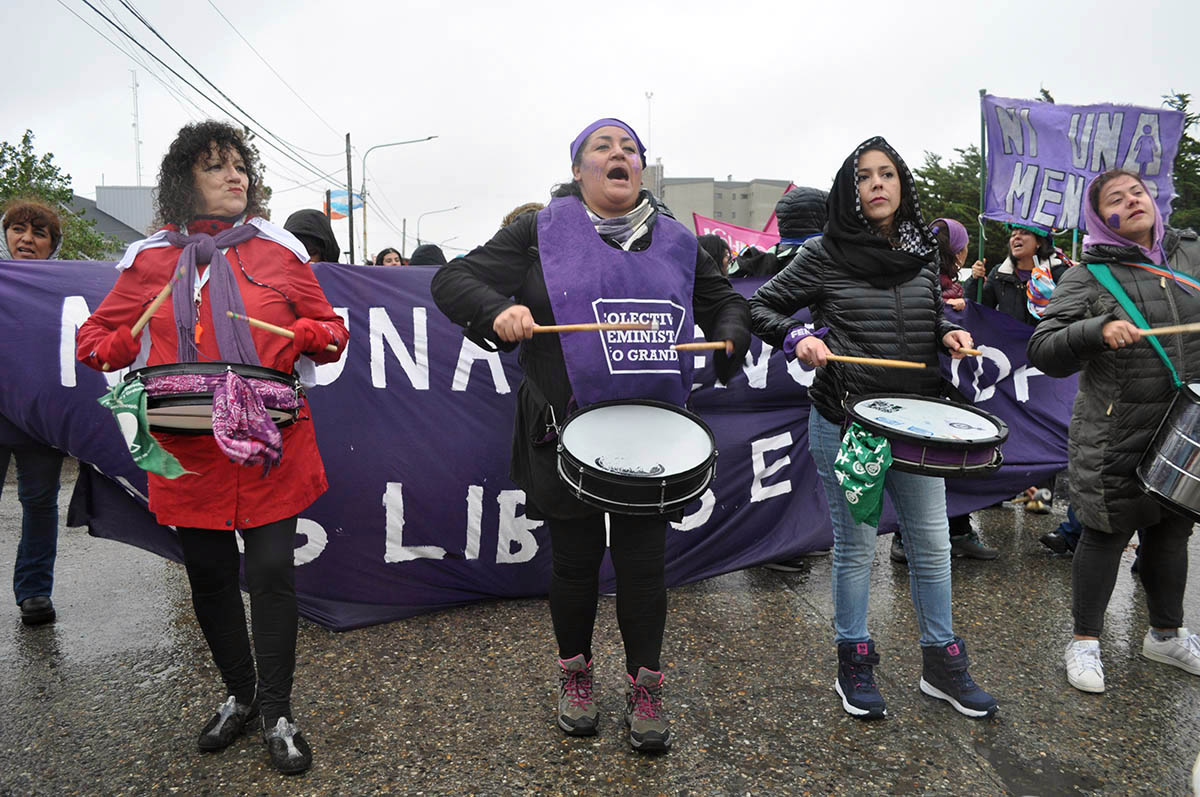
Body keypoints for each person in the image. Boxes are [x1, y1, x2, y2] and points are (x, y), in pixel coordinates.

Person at [431, 117, 750, 752]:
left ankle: (645, 685)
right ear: (579, 170)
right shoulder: (538, 231)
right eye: (602, 147)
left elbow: (727, 305)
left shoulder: (678, 241)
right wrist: (499, 310)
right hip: (561, 426)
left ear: (641, 169)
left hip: (652, 434)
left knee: (643, 566)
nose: (619, 155)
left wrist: (731, 339)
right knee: (574, 564)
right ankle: (575, 675)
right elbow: (452, 280)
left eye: (630, 148)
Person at [76, 121, 348, 774]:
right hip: (184, 446)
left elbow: (333, 333)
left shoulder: (279, 255)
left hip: (270, 443)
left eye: (240, 166)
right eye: (216, 167)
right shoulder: (149, 261)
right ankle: (244, 692)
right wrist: (110, 346)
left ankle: (279, 711)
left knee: (273, 572)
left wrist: (311, 332)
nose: (237, 177)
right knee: (209, 575)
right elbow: (95, 338)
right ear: (183, 183)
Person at [750, 136, 998, 720]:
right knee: (857, 549)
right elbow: (762, 306)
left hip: (919, 425)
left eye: (888, 174)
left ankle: (942, 663)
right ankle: (854, 661)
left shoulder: (920, 252)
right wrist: (797, 338)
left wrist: (947, 334)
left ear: (903, 185)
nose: (878, 184)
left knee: (933, 547)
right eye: (865, 176)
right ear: (851, 190)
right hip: (848, 423)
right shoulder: (824, 253)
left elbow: (930, 309)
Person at [1027, 168, 1200, 695]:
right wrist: (1095, 330)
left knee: (1172, 530)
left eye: (1138, 192)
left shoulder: (1188, 254)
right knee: (1105, 532)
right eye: (1114, 199)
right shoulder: (1087, 276)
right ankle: (1084, 641)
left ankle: (1166, 635)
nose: (1131, 200)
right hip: (1114, 428)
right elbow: (1044, 348)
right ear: (1102, 219)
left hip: (1183, 424)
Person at [892, 218, 998, 563]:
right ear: (958, 250)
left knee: (950, 462)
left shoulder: (951, 286)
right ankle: (906, 538)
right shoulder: (928, 284)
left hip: (945, 392)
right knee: (923, 464)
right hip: (927, 389)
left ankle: (957, 529)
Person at [964, 223, 1071, 516]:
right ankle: (996, 492)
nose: (1016, 238)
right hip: (1011, 364)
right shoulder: (1000, 272)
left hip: (1045, 363)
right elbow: (978, 308)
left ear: (1040, 241)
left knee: (1042, 427)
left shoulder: (1061, 273)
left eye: (1023, 234)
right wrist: (975, 282)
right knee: (1005, 423)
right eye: (1012, 234)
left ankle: (1040, 496)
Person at [1, 198, 67, 625]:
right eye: (17, 230)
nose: (26, 239)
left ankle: (34, 592)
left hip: (40, 419)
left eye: (38, 233)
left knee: (40, 503)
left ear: (52, 245)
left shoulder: (63, 287)